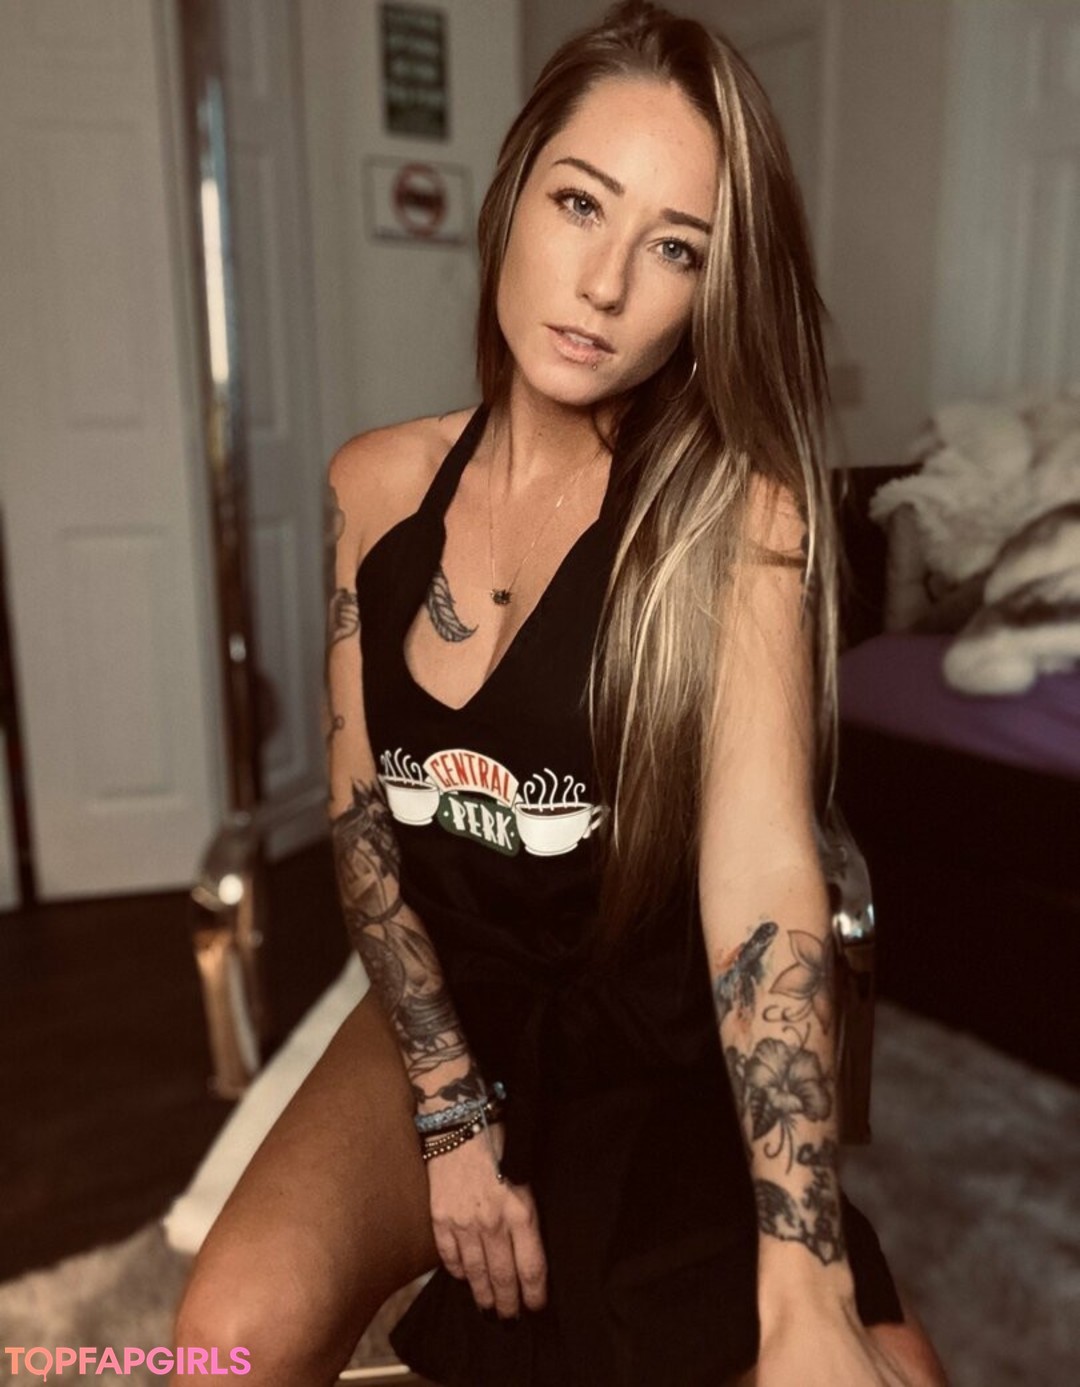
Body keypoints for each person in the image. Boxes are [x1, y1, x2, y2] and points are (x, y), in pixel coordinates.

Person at [172, 3, 951, 1383]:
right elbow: (365, 834)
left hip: (650, 1043)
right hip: (449, 1008)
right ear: (513, 193)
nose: (603, 284)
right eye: (581, 203)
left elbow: (765, 870)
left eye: (674, 248)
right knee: (222, 1342)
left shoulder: (734, 519)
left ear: (710, 292)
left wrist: (806, 1274)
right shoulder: (375, 487)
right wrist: (448, 1111)